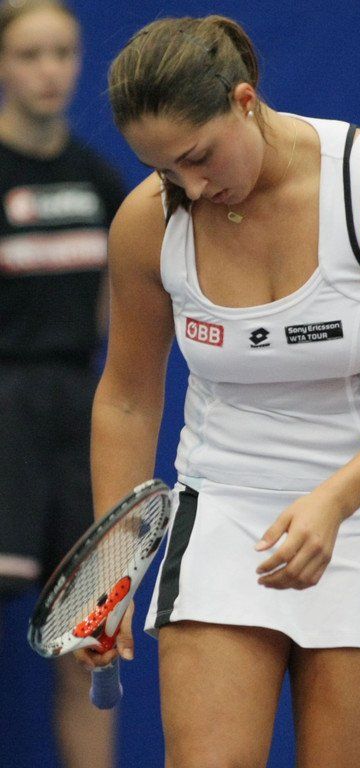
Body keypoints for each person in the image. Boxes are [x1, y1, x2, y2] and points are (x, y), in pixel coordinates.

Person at [77, 14, 360, 768]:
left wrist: (334, 501)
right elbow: (127, 398)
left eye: (197, 157)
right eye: (164, 170)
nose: (189, 187)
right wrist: (113, 570)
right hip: (225, 506)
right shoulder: (147, 221)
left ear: (244, 101)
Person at [0, 1, 126, 766]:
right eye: (30, 54)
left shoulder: (98, 180)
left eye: (63, 52)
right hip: (3, 415)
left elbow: (119, 313)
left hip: (78, 419)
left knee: (90, 639)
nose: (50, 71)